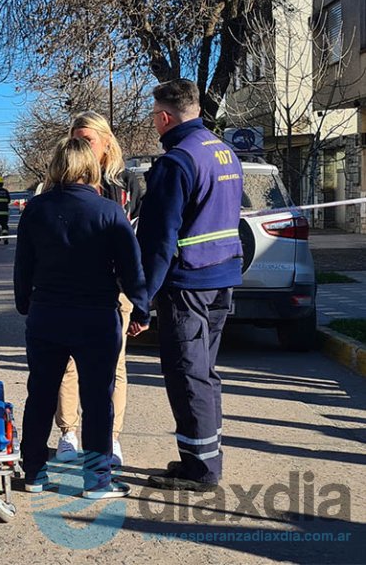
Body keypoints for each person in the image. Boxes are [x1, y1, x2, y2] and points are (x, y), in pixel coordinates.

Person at [15, 137, 148, 499]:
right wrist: (142, 307)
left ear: (57, 167)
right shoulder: (109, 212)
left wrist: (25, 303)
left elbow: (23, 265)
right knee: (97, 400)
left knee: (40, 394)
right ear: (91, 168)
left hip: (47, 315)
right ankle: (96, 480)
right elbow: (131, 268)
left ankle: (34, 473)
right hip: (96, 318)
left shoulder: (35, 210)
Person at [131, 79, 244, 492]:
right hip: (222, 277)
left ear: (164, 116)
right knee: (204, 373)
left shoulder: (177, 163)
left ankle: (202, 470)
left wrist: (141, 302)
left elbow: (159, 242)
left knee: (187, 373)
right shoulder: (224, 151)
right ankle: (203, 457)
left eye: (154, 116)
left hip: (189, 284)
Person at [54, 111, 144, 467]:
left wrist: (140, 299)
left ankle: (111, 438)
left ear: (107, 141)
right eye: (76, 139)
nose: (83, 147)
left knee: (113, 366)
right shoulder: (59, 185)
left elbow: (138, 245)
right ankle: (68, 433)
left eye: (88, 139)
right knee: (68, 365)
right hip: (68, 289)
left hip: (114, 291)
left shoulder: (127, 185)